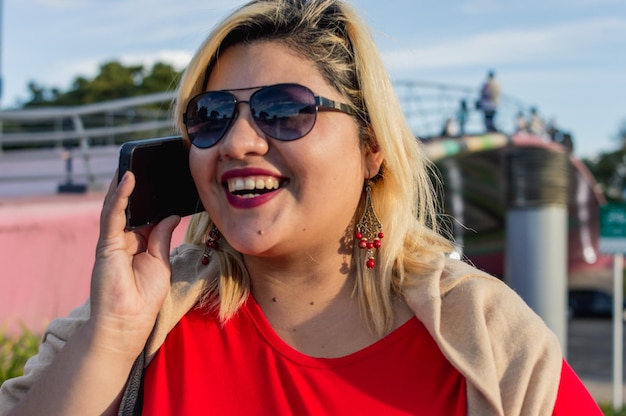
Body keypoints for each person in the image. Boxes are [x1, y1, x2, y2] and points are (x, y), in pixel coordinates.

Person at [0, 1, 602, 415]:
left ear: (372, 148)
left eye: (284, 110)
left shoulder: (483, 335)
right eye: (210, 116)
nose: (237, 142)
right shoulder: (146, 313)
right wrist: (112, 337)